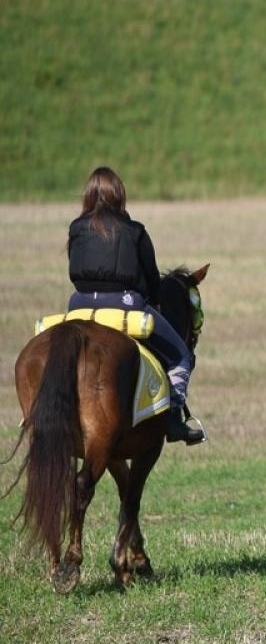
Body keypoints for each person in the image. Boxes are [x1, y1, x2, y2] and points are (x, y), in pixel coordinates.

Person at [66, 167, 205, 445]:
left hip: (78, 304)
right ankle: (174, 419)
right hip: (126, 304)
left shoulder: (76, 229)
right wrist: (151, 301)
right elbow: (152, 280)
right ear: (119, 195)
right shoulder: (135, 231)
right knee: (181, 357)